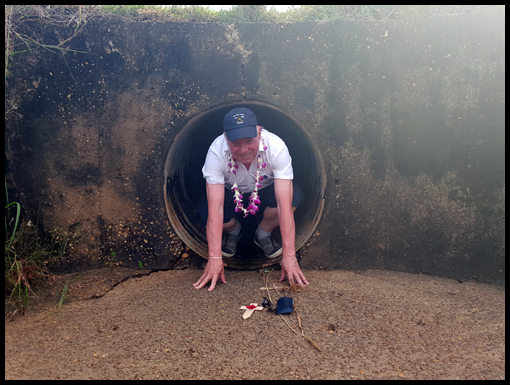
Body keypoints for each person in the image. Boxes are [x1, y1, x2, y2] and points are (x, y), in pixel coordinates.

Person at [193, 107, 310, 291]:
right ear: (225, 138)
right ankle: (234, 230)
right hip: (230, 193)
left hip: (264, 192)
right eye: (235, 143)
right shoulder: (216, 152)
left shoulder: (276, 147)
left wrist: (289, 257)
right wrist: (214, 259)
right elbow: (216, 208)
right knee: (204, 213)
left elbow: (283, 206)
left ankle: (263, 232)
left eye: (249, 141)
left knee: (294, 196)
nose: (243, 149)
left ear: (259, 131)